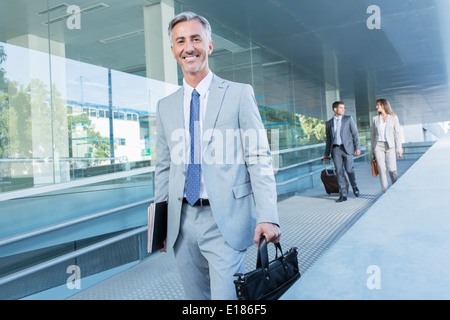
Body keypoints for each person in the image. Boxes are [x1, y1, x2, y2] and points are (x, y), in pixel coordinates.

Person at [154, 12, 280, 300]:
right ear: (174, 50)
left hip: (225, 219)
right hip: (181, 223)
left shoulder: (238, 94)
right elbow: (164, 168)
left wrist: (268, 215)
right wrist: (160, 225)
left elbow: (258, 158)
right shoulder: (165, 106)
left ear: (209, 46)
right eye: (181, 41)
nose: (189, 48)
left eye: (196, 39)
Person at [323, 101, 361, 202]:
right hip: (335, 149)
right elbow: (328, 140)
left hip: (347, 149)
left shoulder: (348, 119)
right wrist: (326, 154)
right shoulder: (329, 123)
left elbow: (355, 134)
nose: (343, 109)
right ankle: (343, 194)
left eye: (344, 108)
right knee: (339, 172)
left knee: (349, 170)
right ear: (335, 109)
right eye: (341, 108)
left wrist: (357, 148)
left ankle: (354, 186)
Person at [371, 99, 403, 193]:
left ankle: (395, 188)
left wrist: (399, 149)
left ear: (384, 105)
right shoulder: (375, 119)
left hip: (390, 146)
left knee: (392, 169)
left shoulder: (393, 117)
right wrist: (373, 149)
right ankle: (384, 191)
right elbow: (373, 134)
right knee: (381, 169)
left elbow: (397, 133)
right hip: (378, 146)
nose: (376, 107)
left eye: (378, 105)